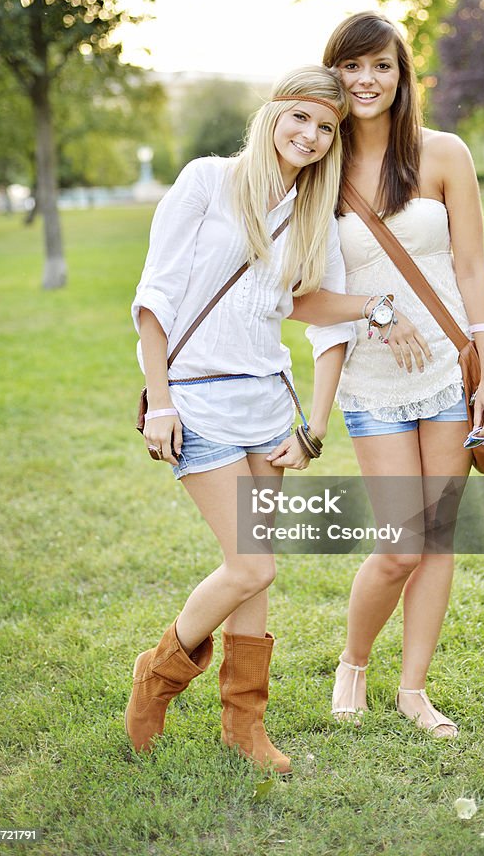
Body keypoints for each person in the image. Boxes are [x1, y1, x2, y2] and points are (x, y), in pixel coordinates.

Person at [124, 64, 425, 773]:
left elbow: (304, 303)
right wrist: (159, 399)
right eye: (301, 119)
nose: (312, 136)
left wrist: (377, 308)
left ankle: (244, 725)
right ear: (272, 115)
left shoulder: (310, 208)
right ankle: (157, 675)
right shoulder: (208, 181)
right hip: (197, 399)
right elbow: (155, 296)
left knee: (256, 574)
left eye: (327, 128)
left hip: (266, 403)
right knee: (251, 563)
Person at [304, 12, 484, 737]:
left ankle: (413, 689)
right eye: (352, 67)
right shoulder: (316, 168)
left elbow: (472, 268)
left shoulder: (445, 153)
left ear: (401, 76)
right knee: (400, 544)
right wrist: (378, 311)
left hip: (452, 377)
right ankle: (353, 663)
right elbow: (297, 297)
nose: (366, 80)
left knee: (439, 536)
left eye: (381, 66)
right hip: (371, 382)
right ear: (335, 75)